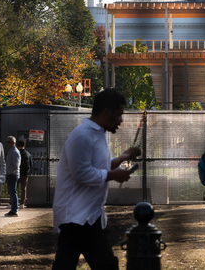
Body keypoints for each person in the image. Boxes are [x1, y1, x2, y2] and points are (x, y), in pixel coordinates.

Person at [52, 88, 141, 269]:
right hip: (75, 218)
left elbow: (99, 166)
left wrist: (122, 157)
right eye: (118, 115)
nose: (121, 120)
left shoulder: (98, 134)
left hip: (90, 217)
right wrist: (114, 176)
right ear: (106, 113)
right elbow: (81, 173)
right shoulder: (82, 135)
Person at [4, 136, 20, 217]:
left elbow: (15, 166)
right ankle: (13, 209)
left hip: (12, 175)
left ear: (14, 143)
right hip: (10, 174)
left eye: (9, 142)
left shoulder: (14, 152)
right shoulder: (11, 151)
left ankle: (14, 210)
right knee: (11, 192)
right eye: (6, 142)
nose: (7, 143)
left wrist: (8, 172)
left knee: (13, 192)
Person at [17, 140, 32, 209]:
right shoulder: (28, 154)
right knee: (24, 189)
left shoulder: (17, 153)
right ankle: (22, 203)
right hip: (25, 174)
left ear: (18, 146)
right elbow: (31, 164)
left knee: (14, 188)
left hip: (18, 173)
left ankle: (13, 202)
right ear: (24, 146)